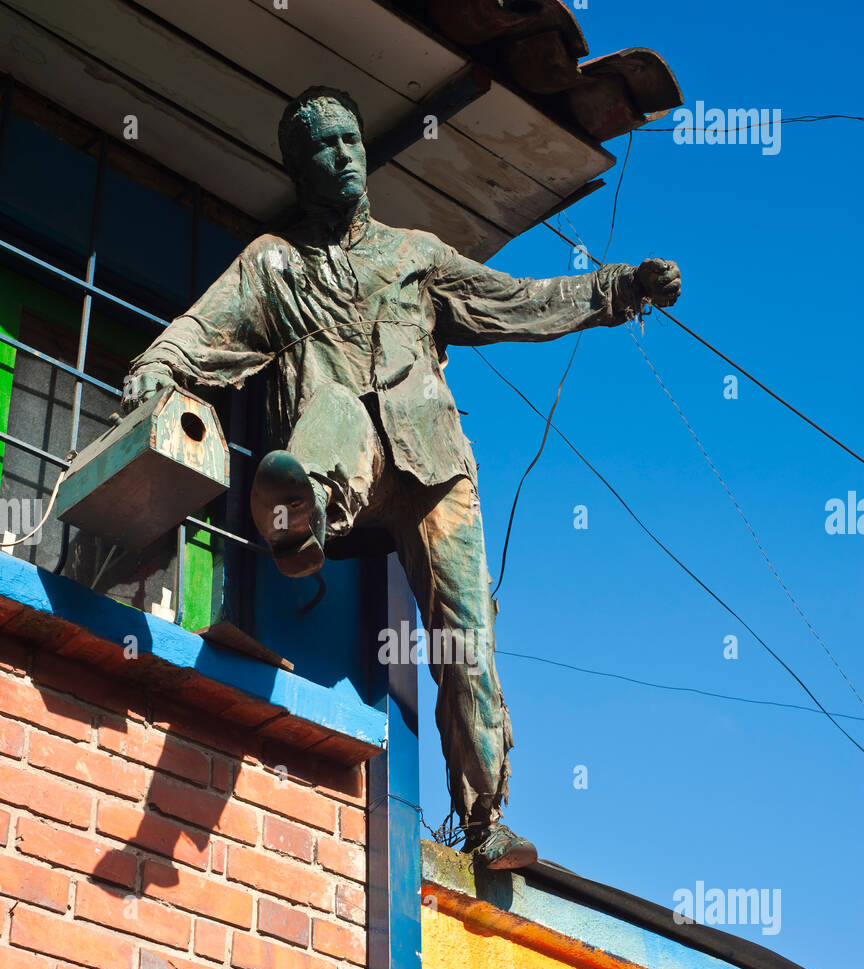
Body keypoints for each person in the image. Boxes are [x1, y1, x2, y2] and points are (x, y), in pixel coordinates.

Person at [122, 87, 681, 870]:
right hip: (345, 453)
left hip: (433, 464)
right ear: (297, 165)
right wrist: (156, 368)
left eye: (350, 139)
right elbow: (203, 327)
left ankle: (484, 820)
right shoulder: (273, 265)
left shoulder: (414, 255)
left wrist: (618, 290)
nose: (342, 154)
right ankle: (299, 509)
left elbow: (517, 302)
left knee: (467, 636)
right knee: (338, 408)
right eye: (321, 146)